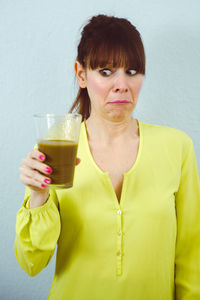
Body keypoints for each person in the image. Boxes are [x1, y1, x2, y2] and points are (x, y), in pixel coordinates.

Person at [15, 14, 200, 300]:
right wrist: (38, 197)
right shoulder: (58, 145)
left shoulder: (177, 147)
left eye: (133, 71)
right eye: (105, 71)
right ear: (81, 74)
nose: (122, 84)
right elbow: (31, 263)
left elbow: (192, 258)